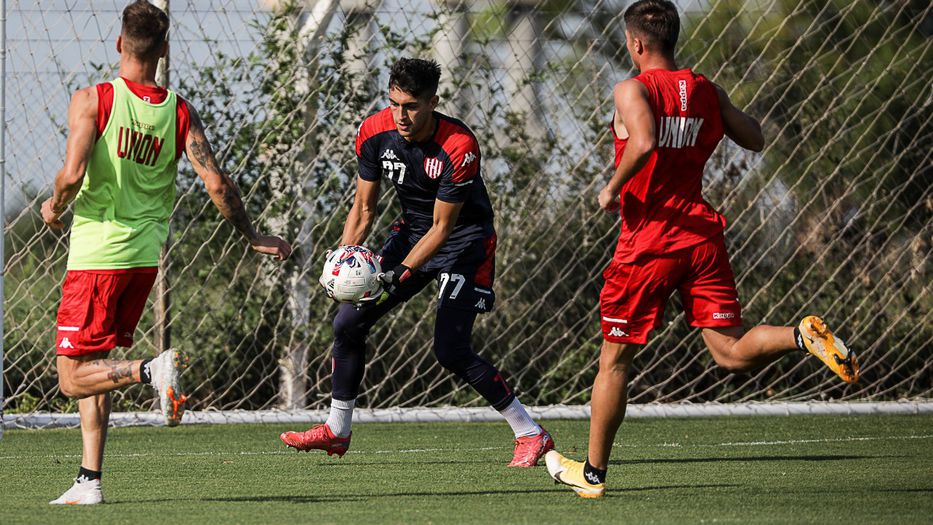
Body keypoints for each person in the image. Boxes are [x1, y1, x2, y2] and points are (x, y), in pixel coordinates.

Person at [544, 0, 858, 498]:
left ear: (636, 43)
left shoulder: (631, 88)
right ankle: (799, 335)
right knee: (730, 353)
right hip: (702, 238)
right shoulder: (706, 89)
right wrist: (707, 115)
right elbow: (754, 138)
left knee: (614, 364)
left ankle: (593, 474)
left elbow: (644, 141)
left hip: (650, 244)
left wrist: (611, 187)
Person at [41, 0, 292, 505]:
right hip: (144, 257)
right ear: (164, 50)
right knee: (96, 365)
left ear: (119, 44)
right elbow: (217, 184)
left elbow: (70, 176)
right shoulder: (178, 110)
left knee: (71, 379)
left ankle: (151, 372)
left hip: (97, 256)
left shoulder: (93, 99)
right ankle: (90, 480)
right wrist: (251, 235)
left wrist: (54, 204)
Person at [279, 58, 553, 467]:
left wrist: (395, 275)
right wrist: (341, 260)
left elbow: (443, 228)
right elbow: (364, 208)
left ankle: (531, 433)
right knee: (348, 322)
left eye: (411, 106)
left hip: (465, 241)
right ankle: (337, 431)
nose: (401, 115)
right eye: (394, 104)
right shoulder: (374, 132)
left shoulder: (459, 145)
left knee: (451, 349)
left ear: (432, 102)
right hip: (412, 232)